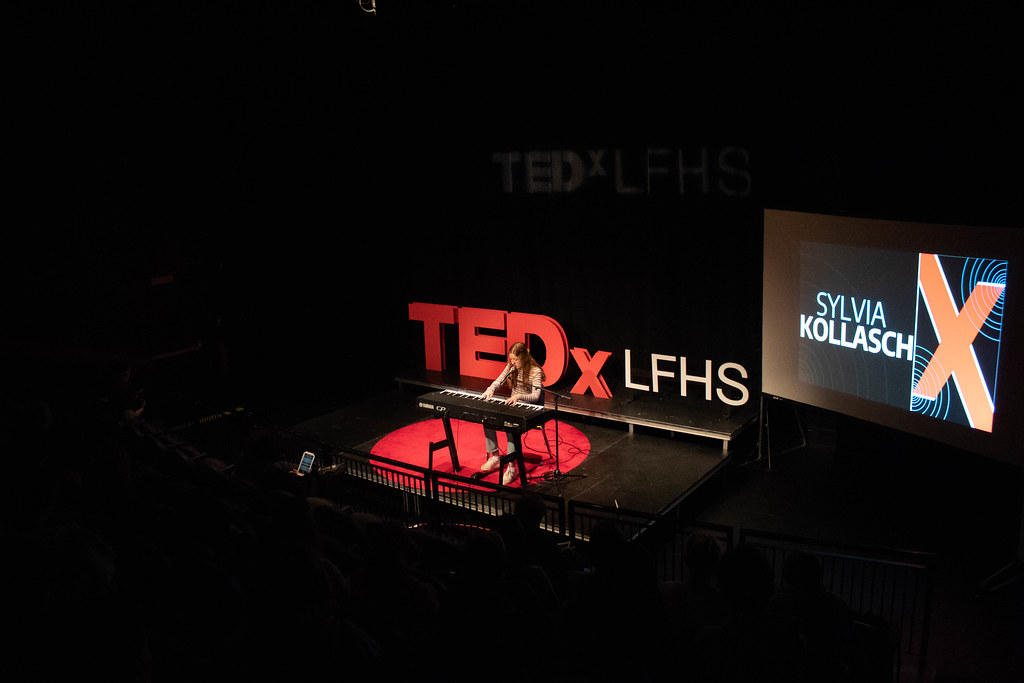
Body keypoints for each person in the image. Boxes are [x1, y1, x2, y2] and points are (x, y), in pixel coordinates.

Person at [479, 341, 545, 485]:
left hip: (527, 407)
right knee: (487, 418)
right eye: (511, 359)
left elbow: (536, 397)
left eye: (516, 359)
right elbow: (499, 380)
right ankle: (495, 457)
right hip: (513, 404)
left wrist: (518, 397)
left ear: (524, 357)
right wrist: (491, 388)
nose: (513, 362)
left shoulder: (535, 371)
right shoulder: (511, 367)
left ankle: (511, 467)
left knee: (510, 425)